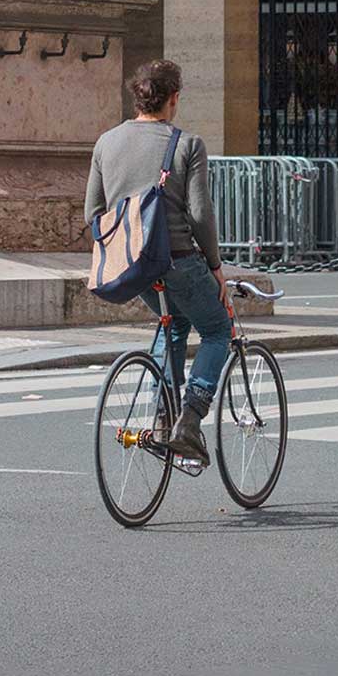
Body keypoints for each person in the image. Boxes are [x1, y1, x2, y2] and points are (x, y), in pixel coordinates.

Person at [84, 60, 230, 465]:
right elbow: (200, 214)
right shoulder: (186, 144)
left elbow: (92, 212)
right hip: (179, 259)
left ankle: (164, 417)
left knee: (173, 326)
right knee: (218, 329)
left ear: (138, 97)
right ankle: (191, 419)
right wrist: (216, 266)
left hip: (133, 268)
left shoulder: (106, 142)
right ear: (174, 98)